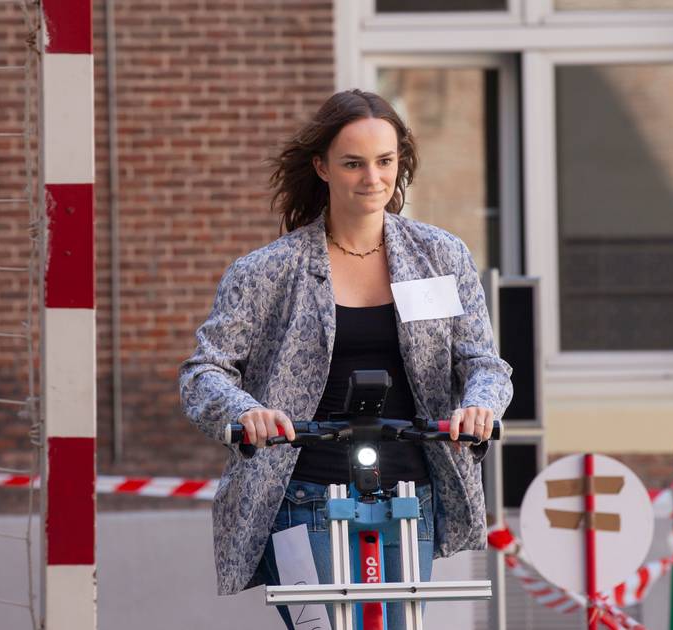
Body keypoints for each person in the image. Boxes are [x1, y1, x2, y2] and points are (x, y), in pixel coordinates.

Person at [179, 88, 513, 629]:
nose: (372, 178)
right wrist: (244, 412)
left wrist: (480, 408)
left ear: (400, 163)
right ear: (323, 168)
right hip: (301, 493)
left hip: (412, 491)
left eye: (385, 162)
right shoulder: (269, 270)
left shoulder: (441, 255)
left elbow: (484, 364)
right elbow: (204, 371)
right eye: (353, 164)